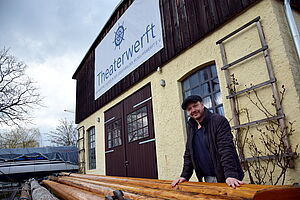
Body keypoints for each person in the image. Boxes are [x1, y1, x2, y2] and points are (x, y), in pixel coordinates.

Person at [171, 95, 244, 188]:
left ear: (202, 105)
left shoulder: (218, 121)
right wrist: (184, 176)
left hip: (226, 178)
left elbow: (226, 149)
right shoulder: (191, 127)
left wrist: (230, 175)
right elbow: (189, 153)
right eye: (189, 109)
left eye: (195, 106)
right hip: (207, 178)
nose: (193, 110)